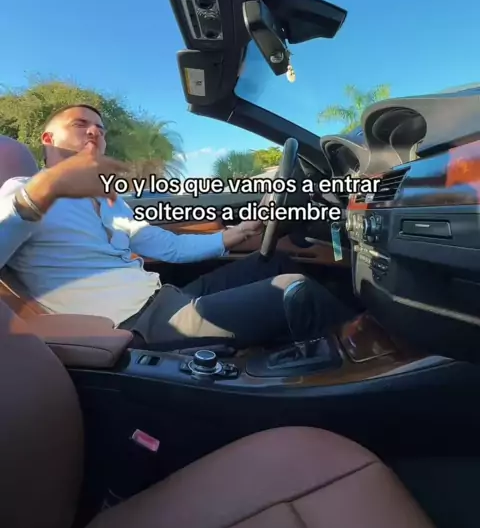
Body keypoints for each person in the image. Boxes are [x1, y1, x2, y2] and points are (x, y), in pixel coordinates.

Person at [0, 105, 354, 350]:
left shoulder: (110, 201)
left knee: (274, 263)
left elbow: (167, 246)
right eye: (80, 124)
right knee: (293, 291)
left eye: (101, 129)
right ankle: (364, 352)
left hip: (164, 296)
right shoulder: (22, 191)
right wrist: (45, 189)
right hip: (136, 325)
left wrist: (237, 232)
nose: (95, 131)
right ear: (48, 139)